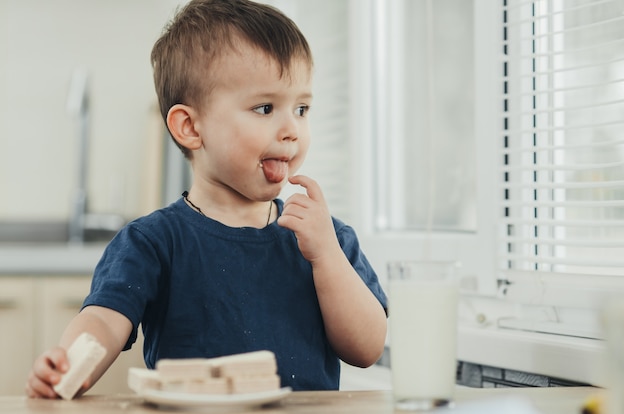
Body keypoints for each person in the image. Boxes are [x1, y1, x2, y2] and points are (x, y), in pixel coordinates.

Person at [26, 0, 387, 398]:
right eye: (265, 108)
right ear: (191, 127)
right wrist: (66, 362)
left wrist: (326, 256)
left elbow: (367, 349)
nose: (291, 129)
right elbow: (104, 321)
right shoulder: (153, 242)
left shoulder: (326, 239)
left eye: (302, 108)